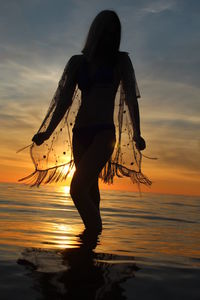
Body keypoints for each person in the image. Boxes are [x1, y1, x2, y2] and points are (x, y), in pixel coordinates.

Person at [31, 10, 146, 234]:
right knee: (91, 192)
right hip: (80, 134)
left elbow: (131, 98)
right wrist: (46, 133)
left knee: (76, 190)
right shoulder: (77, 63)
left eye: (114, 33)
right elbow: (62, 101)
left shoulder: (121, 61)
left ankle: (93, 236)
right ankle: (90, 254)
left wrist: (137, 133)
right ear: (96, 31)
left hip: (104, 134)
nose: (109, 36)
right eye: (105, 31)